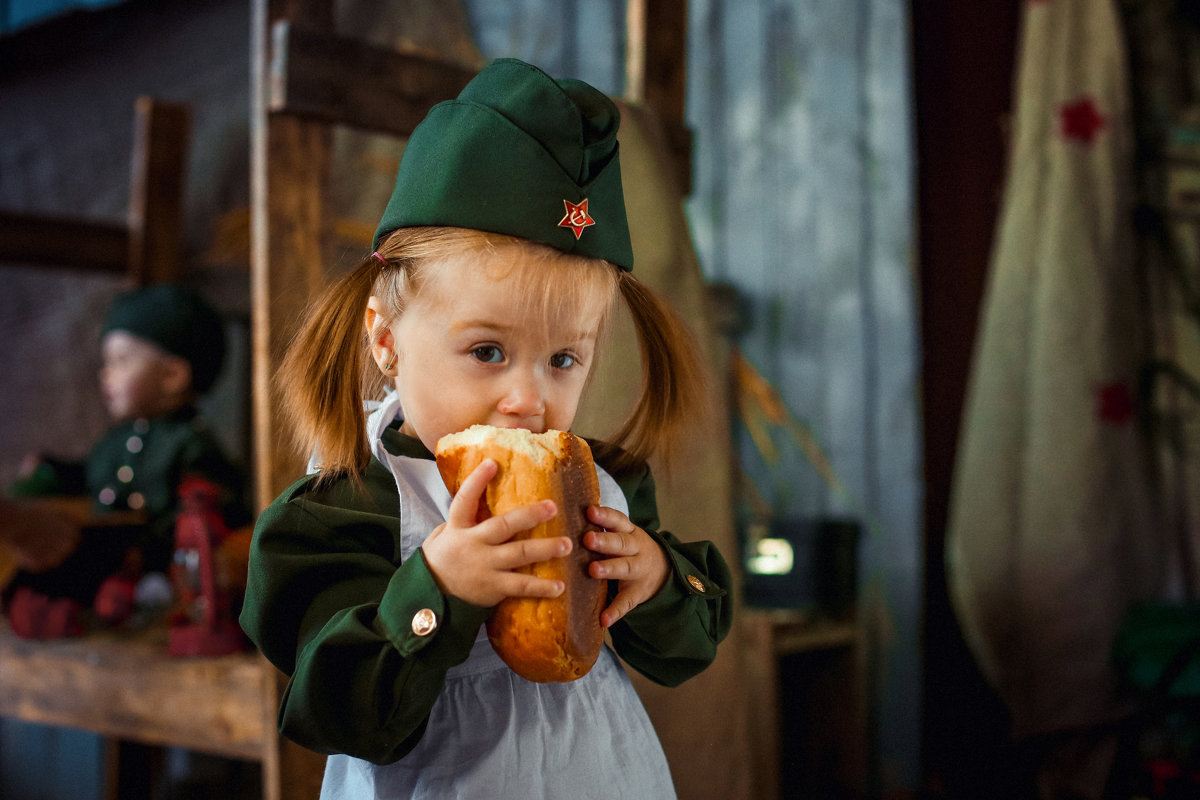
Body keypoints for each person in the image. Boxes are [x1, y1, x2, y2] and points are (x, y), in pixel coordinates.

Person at [239, 58, 733, 798]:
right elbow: (339, 714)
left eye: (563, 358)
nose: (525, 399)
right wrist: (437, 588)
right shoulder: (337, 511)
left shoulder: (604, 487)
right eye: (488, 352)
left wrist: (657, 580)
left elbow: (685, 650)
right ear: (387, 341)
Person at [9, 284, 248, 580]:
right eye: (106, 362)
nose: (105, 374)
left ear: (173, 376)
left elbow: (210, 507)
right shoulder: (116, 441)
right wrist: (52, 469)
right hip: (109, 560)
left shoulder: (190, 444)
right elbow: (91, 475)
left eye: (121, 361)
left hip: (160, 567)